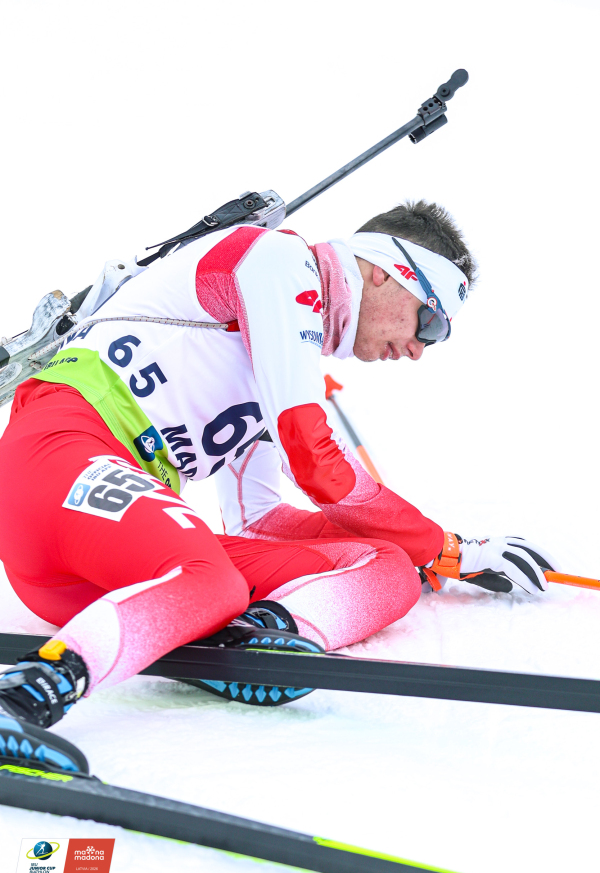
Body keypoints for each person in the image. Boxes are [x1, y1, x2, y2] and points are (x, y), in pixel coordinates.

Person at [0, 201, 556, 766]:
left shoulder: (282, 345)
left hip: (103, 569)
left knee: (389, 570)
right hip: (57, 458)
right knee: (214, 581)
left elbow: (259, 519)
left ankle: (258, 635)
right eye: (429, 324)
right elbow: (315, 461)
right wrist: (447, 548)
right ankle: (23, 697)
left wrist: (417, 551)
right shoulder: (277, 262)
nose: (417, 350)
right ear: (386, 272)